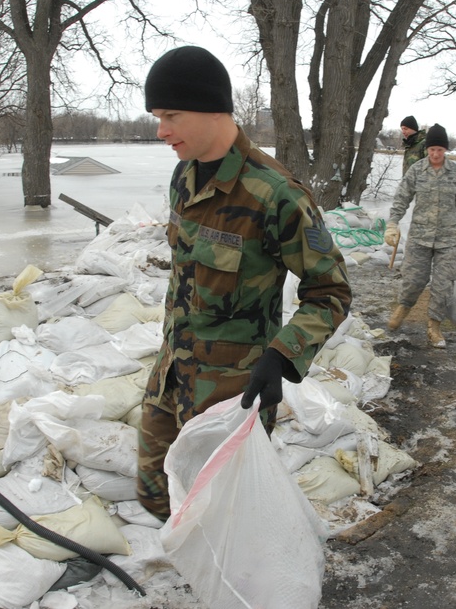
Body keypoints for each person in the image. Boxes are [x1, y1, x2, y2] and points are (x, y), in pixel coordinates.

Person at [137, 45, 353, 520]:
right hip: (172, 373)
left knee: (221, 510)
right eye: (157, 115)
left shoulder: (275, 193)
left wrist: (282, 356)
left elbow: (331, 290)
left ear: (213, 109)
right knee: (156, 492)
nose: (161, 130)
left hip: (229, 396)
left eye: (171, 114)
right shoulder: (184, 177)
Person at [384, 123, 456, 348]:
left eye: (440, 150)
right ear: (427, 149)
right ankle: (402, 308)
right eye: (432, 149)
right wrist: (392, 224)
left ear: (446, 150)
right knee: (413, 279)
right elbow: (401, 199)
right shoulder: (416, 171)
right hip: (419, 237)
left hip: (448, 239)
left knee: (443, 285)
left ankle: (434, 326)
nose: (436, 154)